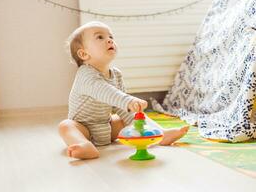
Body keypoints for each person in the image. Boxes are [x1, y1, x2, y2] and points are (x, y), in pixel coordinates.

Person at [58, 21, 189, 159]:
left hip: (107, 126)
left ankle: (160, 134)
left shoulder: (116, 74)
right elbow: (104, 91)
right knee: (66, 126)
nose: (109, 40)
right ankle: (83, 144)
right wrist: (128, 101)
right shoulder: (85, 74)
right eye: (100, 37)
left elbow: (121, 107)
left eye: (111, 37)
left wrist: (131, 110)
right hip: (84, 128)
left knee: (128, 117)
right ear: (84, 54)